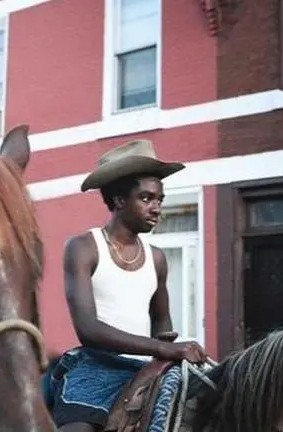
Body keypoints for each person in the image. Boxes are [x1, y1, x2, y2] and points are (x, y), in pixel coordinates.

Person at [46, 139, 208, 432]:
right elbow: (88, 329)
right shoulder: (84, 247)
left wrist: (166, 344)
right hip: (96, 367)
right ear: (119, 200)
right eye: (146, 198)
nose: (157, 208)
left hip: (146, 371)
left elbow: (161, 320)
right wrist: (161, 347)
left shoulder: (157, 258)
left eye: (160, 199)